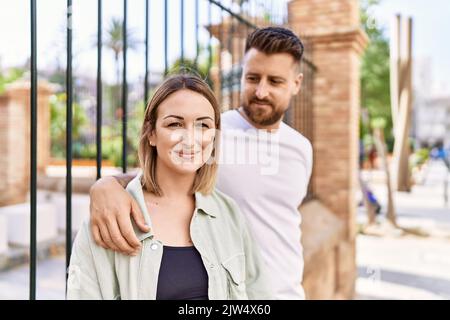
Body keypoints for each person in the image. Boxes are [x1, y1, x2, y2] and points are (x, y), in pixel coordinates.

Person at [88, 27, 313, 299]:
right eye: (253, 78)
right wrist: (107, 185)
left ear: (296, 83)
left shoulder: (301, 148)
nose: (261, 91)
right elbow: (158, 178)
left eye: (275, 81)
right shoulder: (211, 133)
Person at [67, 74, 273, 300]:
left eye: (203, 125)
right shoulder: (110, 218)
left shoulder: (229, 214)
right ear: (151, 133)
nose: (190, 138)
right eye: (175, 124)